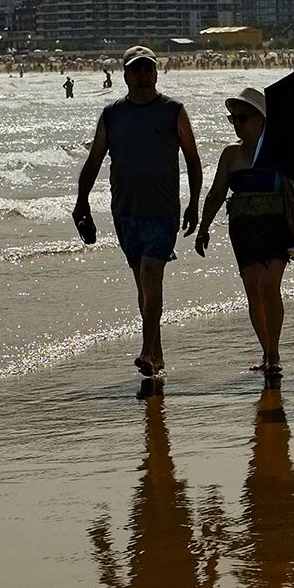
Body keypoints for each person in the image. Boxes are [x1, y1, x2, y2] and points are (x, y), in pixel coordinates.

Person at [74, 45, 203, 379]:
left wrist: (194, 202)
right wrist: (81, 201)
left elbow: (192, 159)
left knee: (150, 274)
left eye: (148, 70)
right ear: (125, 75)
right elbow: (94, 161)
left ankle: (146, 350)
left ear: (156, 73)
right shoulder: (112, 114)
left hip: (163, 209)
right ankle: (157, 356)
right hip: (125, 209)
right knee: (142, 285)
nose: (143, 76)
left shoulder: (173, 110)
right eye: (137, 70)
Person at [194, 87, 294, 378]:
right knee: (253, 292)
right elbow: (217, 193)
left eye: (243, 118)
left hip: (275, 225)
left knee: (269, 286)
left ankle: (275, 352)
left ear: (261, 120)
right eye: (233, 120)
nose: (237, 124)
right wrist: (204, 227)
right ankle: (266, 351)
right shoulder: (230, 155)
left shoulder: (279, 150)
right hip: (242, 229)